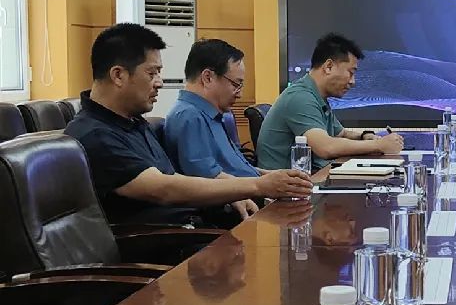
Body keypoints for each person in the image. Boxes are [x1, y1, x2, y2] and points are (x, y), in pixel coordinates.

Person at [65, 24, 312, 226]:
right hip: (167, 246)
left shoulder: (132, 121)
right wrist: (257, 186)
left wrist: (233, 193)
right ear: (118, 75)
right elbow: (164, 188)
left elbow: (172, 176)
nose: (160, 82)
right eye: (152, 73)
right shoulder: (95, 135)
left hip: (194, 226)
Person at [257, 33, 404, 171]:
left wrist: (365, 136)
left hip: (310, 177)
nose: (353, 82)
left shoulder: (317, 96)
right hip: (286, 186)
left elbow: (341, 133)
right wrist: (378, 145)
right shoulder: (300, 97)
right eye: (351, 73)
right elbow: (326, 147)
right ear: (328, 66)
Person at [163, 39, 262, 218]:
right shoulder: (189, 116)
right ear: (208, 77)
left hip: (254, 195)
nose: (240, 93)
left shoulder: (211, 114)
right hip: (242, 209)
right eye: (236, 84)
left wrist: (274, 177)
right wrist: (265, 186)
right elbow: (209, 180)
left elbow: (238, 168)